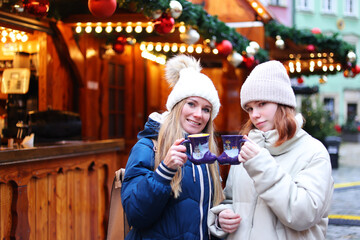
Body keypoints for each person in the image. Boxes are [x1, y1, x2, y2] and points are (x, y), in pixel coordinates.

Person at [208, 60, 334, 239]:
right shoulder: (248, 147)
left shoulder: (313, 151)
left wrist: (260, 164)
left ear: (282, 103)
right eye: (250, 108)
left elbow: (304, 214)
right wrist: (223, 216)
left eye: (262, 104)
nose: (254, 115)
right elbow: (231, 199)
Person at [121, 54, 224, 239]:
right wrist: (164, 171)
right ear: (177, 106)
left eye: (206, 109)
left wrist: (221, 219)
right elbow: (135, 215)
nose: (198, 114)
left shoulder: (207, 155)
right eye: (191, 104)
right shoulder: (148, 147)